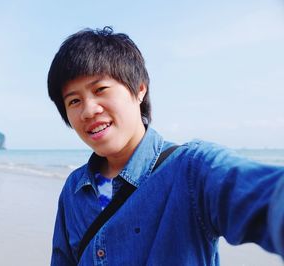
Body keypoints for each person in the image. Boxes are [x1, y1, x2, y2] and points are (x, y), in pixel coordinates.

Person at [47, 26, 284, 265]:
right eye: (74, 100)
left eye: (100, 90)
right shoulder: (74, 189)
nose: (89, 110)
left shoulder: (192, 170)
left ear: (140, 89)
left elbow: (266, 196)